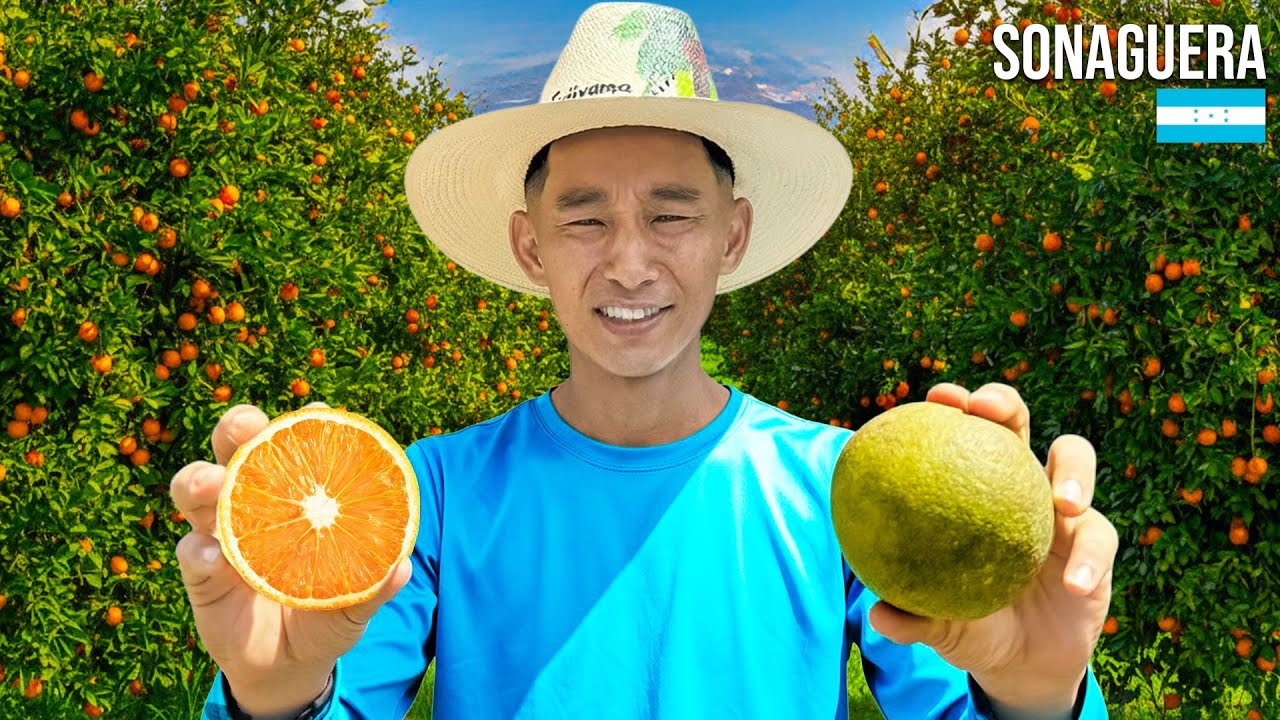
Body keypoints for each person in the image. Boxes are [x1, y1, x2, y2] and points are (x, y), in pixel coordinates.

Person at [173, 3, 1119, 719]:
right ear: (532, 245)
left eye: (673, 214)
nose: (630, 260)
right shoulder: (432, 494)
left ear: (733, 235)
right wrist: (278, 692)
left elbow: (969, 694)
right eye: (584, 217)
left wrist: (1035, 693)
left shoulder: (841, 485)